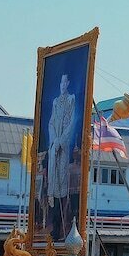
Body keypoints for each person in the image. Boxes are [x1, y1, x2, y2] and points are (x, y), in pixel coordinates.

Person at [46, 73, 76, 239]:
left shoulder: (71, 100)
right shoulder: (55, 102)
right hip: (54, 147)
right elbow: (51, 123)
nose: (62, 84)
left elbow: (71, 123)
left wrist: (61, 141)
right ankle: (54, 226)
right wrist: (54, 140)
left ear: (68, 83)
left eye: (65, 81)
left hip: (63, 148)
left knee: (62, 185)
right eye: (61, 81)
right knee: (53, 183)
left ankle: (63, 226)